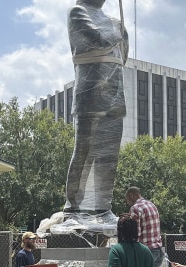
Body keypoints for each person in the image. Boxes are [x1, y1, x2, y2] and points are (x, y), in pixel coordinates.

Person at [64, 0, 129, 214]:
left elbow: (122, 56)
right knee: (84, 151)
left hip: (114, 94)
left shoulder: (113, 21)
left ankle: (103, 207)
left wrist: (122, 32)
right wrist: (119, 31)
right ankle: (73, 207)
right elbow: (100, 40)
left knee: (109, 157)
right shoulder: (78, 12)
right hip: (89, 95)